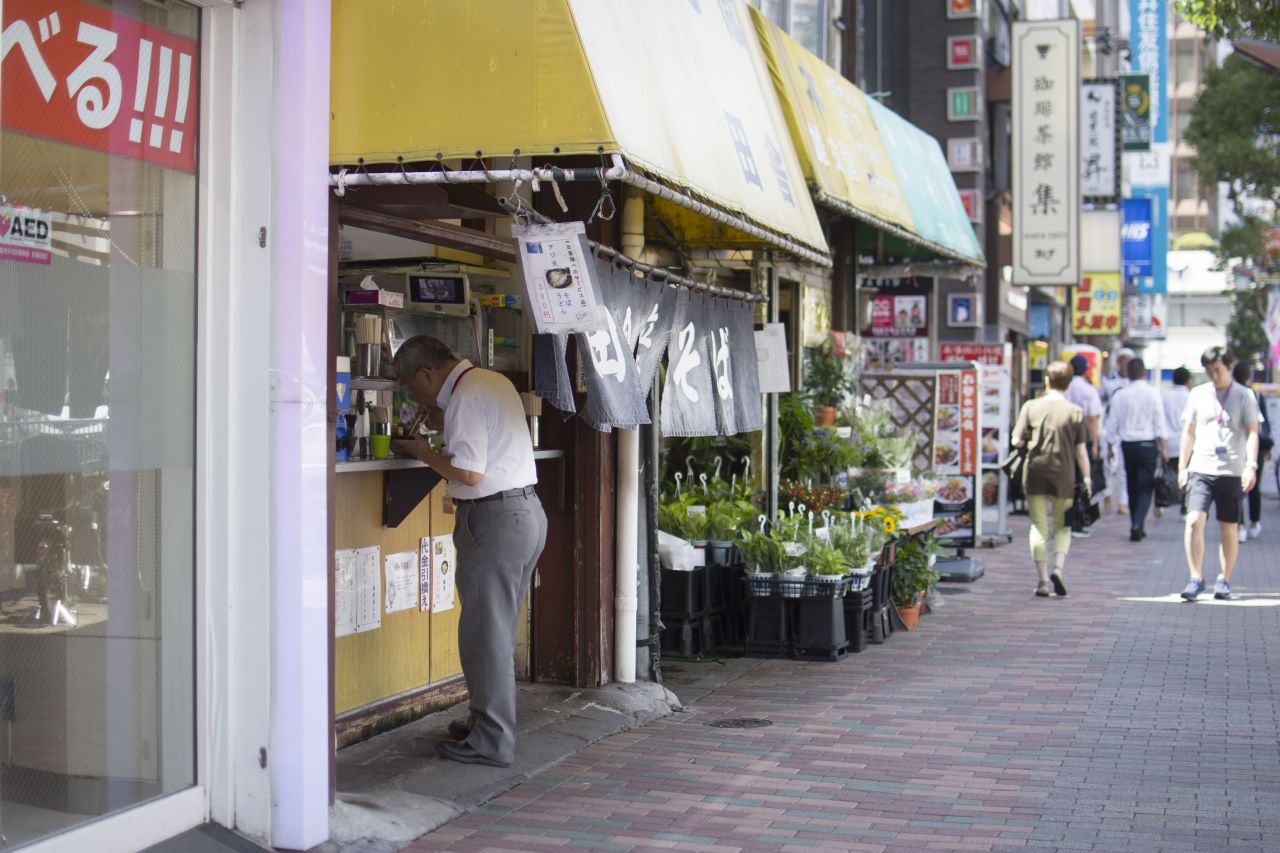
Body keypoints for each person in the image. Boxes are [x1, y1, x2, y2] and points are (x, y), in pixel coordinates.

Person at [392, 336, 546, 766]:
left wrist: (424, 452)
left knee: (485, 635)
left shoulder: (465, 396)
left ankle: (492, 740)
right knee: (495, 630)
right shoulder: (490, 381)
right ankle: (485, 723)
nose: (413, 396)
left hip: (494, 520)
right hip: (526, 512)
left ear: (427, 374)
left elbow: (469, 473)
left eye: (410, 384)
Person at [1177, 346, 1260, 601]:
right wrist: (1183, 466)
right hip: (1201, 468)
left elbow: (1252, 432)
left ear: (1230, 367)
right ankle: (1195, 577)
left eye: (1218, 370)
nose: (1214, 376)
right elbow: (1188, 432)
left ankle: (1224, 579)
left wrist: (1251, 465)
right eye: (1209, 371)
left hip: (1232, 470)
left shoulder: (1245, 395)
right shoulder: (1198, 395)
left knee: (1229, 527)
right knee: (1193, 521)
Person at [1013, 361, 1091, 598]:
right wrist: (1087, 478)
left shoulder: (1030, 407)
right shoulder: (1075, 412)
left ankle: (1043, 579)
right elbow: (1081, 452)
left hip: (1035, 473)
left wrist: (1028, 441)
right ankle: (1058, 568)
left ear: (1047, 381)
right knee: (1062, 525)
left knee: (1038, 526)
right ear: (1069, 383)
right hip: (1064, 475)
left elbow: (1016, 440)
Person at [1103, 358, 1169, 541]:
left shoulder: (1120, 395)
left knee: (1132, 485)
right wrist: (1164, 447)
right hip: (1148, 444)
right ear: (1144, 373)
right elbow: (1159, 422)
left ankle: (1135, 521)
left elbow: (1111, 424)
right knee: (1146, 486)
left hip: (1128, 445)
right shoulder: (1153, 393)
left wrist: (1109, 446)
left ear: (1128, 373)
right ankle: (1138, 522)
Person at [1064, 354, 1104, 538]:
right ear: (1086, 370)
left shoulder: (1063, 387)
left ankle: (1066, 520)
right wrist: (1095, 444)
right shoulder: (1089, 390)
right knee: (1082, 480)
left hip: (1063, 439)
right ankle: (1078, 522)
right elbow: (1093, 419)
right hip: (1084, 439)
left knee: (1067, 480)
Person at [1232, 361, 1271, 541]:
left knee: (1238, 488)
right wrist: (1266, 446)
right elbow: (1264, 426)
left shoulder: (1229, 394)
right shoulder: (1255, 394)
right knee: (1254, 486)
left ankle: (1239, 526)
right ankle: (1254, 523)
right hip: (1255, 448)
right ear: (1249, 376)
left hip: (1237, 447)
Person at [1100, 347, 1135, 516]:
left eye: (1128, 361)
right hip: (1109, 426)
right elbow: (1102, 400)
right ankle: (1107, 493)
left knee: (1123, 469)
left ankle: (1123, 501)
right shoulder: (1109, 380)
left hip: (1128, 429)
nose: (1125, 364)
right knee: (1107, 463)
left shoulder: (1135, 382)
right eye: (1123, 360)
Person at [1161, 367, 1195, 516]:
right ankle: (1184, 507)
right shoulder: (1191, 396)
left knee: (1168, 474)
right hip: (1187, 443)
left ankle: (1162, 501)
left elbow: (1159, 420)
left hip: (1168, 442)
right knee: (1187, 475)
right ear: (1188, 381)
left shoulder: (1164, 396)